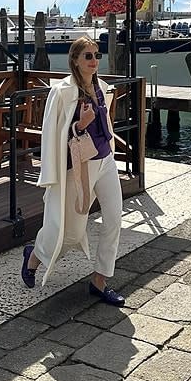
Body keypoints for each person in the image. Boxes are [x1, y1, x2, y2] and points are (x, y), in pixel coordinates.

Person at [21, 36, 125, 306]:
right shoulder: (63, 92)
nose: (93, 61)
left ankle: (100, 280)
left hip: (104, 160)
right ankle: (34, 255)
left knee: (114, 217)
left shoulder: (102, 87)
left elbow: (106, 127)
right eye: (87, 56)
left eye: (96, 55)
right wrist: (81, 125)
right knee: (69, 233)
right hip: (79, 166)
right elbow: (53, 134)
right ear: (75, 61)